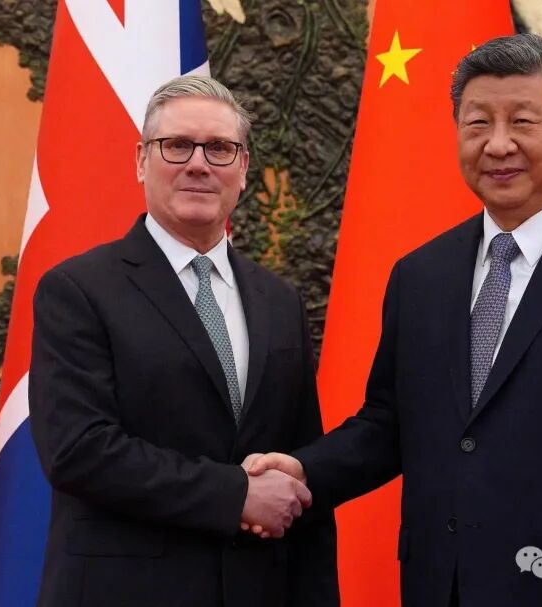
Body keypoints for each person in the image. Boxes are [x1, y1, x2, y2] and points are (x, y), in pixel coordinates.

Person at [247, 33, 542, 607]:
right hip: (442, 586)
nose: (498, 145)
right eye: (478, 124)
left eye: (522, 121)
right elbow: (390, 423)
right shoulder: (420, 275)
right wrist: (303, 470)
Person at [28, 75, 339, 607]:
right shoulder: (77, 289)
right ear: (141, 160)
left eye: (219, 148)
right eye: (176, 145)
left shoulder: (279, 300)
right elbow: (78, 451)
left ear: (243, 168)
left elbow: (299, 463)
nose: (198, 164)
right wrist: (236, 495)